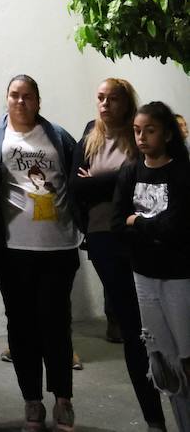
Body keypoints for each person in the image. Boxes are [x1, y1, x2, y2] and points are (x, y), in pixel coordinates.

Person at [0, 75, 79, 432]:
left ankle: (63, 400)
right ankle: (32, 402)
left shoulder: (58, 136)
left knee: (56, 325)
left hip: (58, 246)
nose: (21, 102)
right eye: (14, 96)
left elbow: (79, 177)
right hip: (11, 249)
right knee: (21, 327)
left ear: (38, 101)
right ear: (6, 100)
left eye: (28, 96)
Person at [70, 78, 164, 430]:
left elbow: (142, 176)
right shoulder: (88, 138)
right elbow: (76, 185)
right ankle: (154, 418)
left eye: (113, 98)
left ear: (127, 102)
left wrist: (100, 179)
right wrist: (118, 177)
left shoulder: (138, 136)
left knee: (155, 322)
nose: (105, 104)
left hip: (140, 236)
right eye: (100, 98)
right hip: (103, 238)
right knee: (131, 325)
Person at [112, 101, 190, 432]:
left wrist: (138, 222)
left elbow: (177, 226)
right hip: (144, 275)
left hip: (178, 276)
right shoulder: (130, 171)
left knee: (186, 356)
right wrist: (150, 227)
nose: (142, 137)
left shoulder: (182, 173)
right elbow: (117, 223)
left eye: (150, 130)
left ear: (167, 134)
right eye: (137, 130)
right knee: (162, 361)